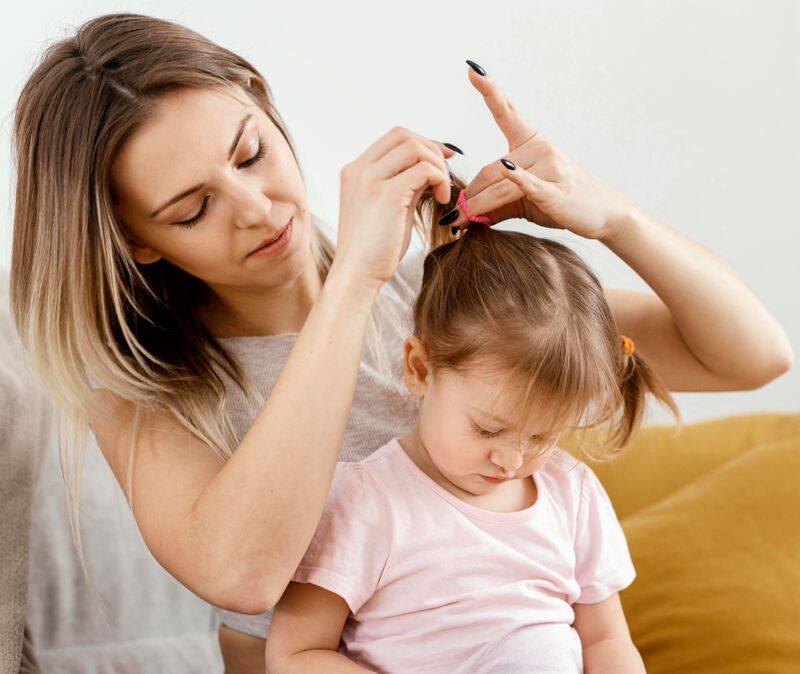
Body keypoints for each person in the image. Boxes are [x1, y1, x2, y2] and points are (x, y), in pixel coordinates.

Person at [8, 13, 793, 673]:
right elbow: (242, 575)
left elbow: (754, 358)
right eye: (191, 210)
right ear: (134, 240)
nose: (256, 208)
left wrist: (610, 216)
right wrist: (351, 278)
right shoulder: (139, 384)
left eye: (251, 153)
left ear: (264, 107)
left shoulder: (435, 298)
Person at [264, 213, 668, 672]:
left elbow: (606, 639)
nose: (512, 459)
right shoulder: (366, 502)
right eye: (488, 429)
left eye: (543, 436)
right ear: (419, 369)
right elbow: (296, 654)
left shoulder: (570, 493)